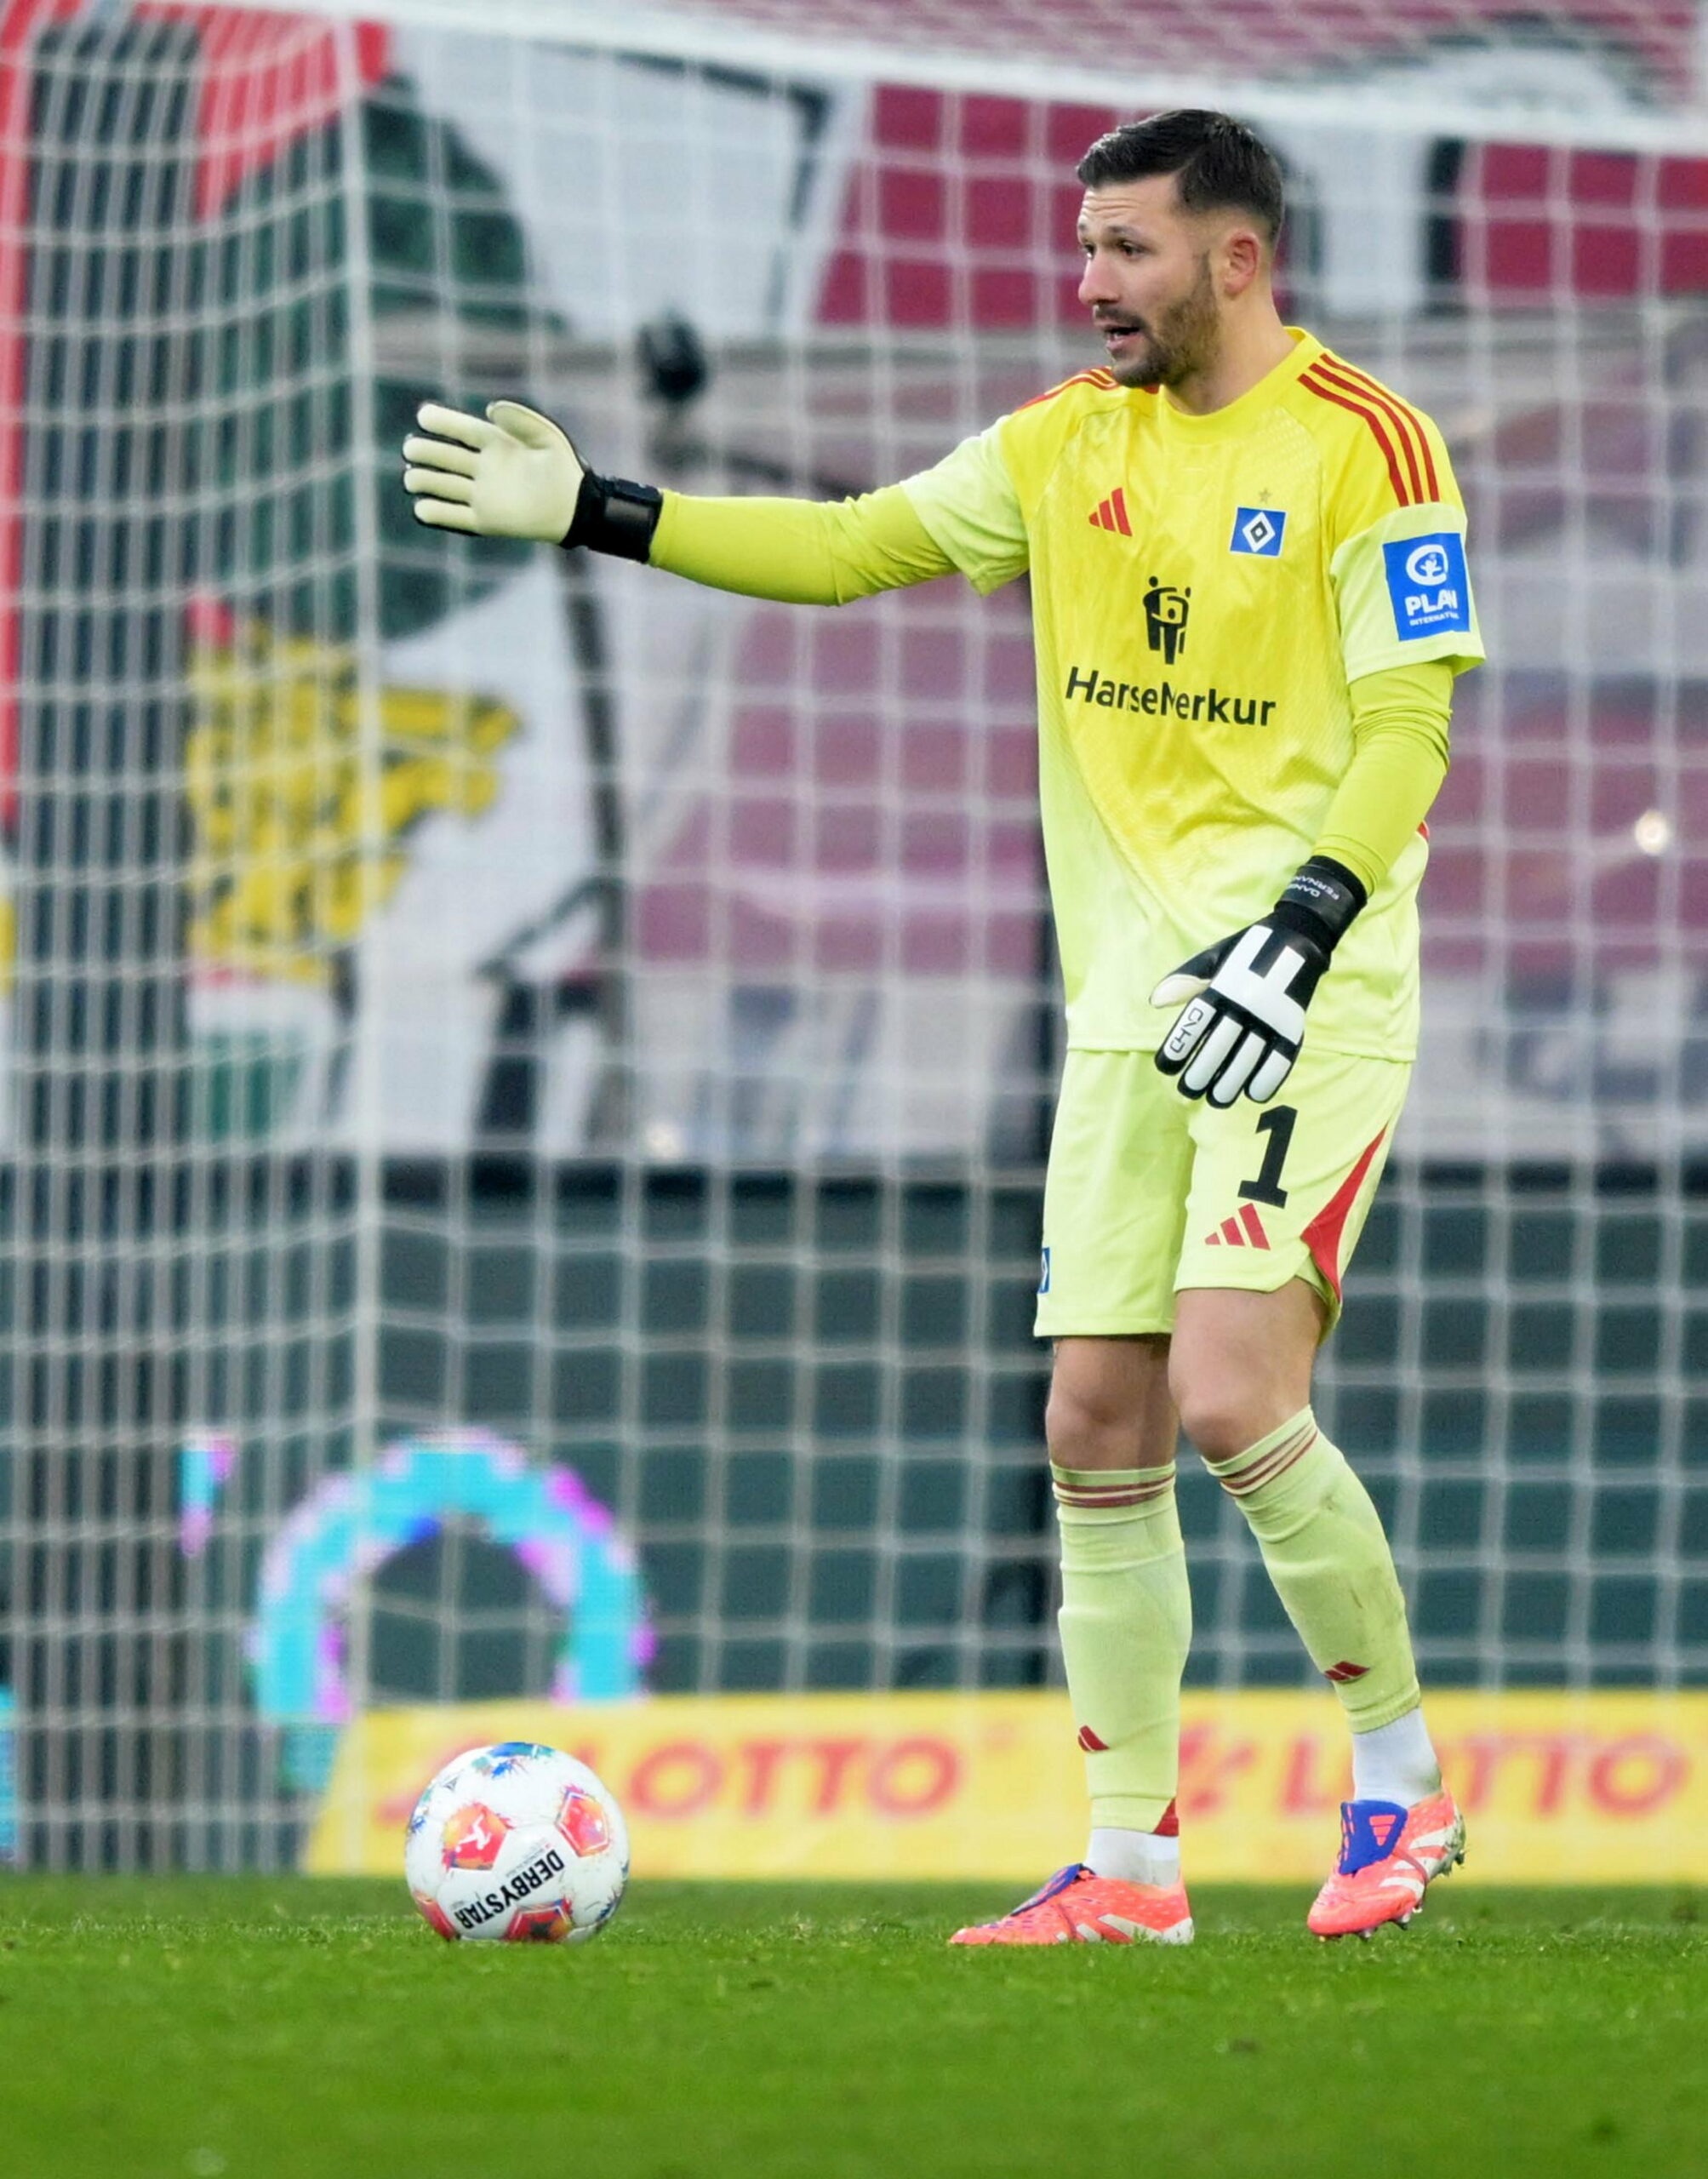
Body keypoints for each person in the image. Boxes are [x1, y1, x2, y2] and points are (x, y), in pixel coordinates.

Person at [401, 108, 1482, 1946]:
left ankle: (1399, 1786)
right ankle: (1128, 1868)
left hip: (1303, 990)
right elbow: (847, 545)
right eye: (1083, 246)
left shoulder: (1365, 445)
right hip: (1127, 1007)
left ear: (1235, 256)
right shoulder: (1066, 443)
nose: (1088, 281)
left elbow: (1403, 727)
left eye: (1126, 248)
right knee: (1093, 1419)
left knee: (1230, 1390)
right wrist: (600, 506)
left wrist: (1294, 935)